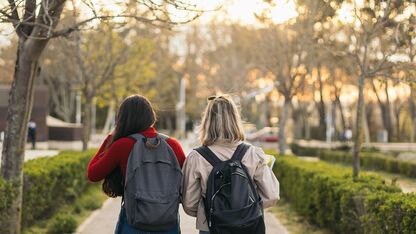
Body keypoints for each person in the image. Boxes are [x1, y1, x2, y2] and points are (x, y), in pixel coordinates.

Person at [87, 95, 186, 234]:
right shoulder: (172, 145)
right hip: (168, 221)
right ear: (150, 116)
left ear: (123, 119)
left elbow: (93, 174)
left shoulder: (122, 145)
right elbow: (187, 180)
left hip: (133, 223)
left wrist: (110, 138)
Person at [181, 95, 280, 234]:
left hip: (211, 227)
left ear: (207, 121)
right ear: (235, 119)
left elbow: (189, 204)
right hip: (248, 226)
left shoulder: (196, 157)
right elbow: (271, 196)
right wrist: (245, 211)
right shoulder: (252, 154)